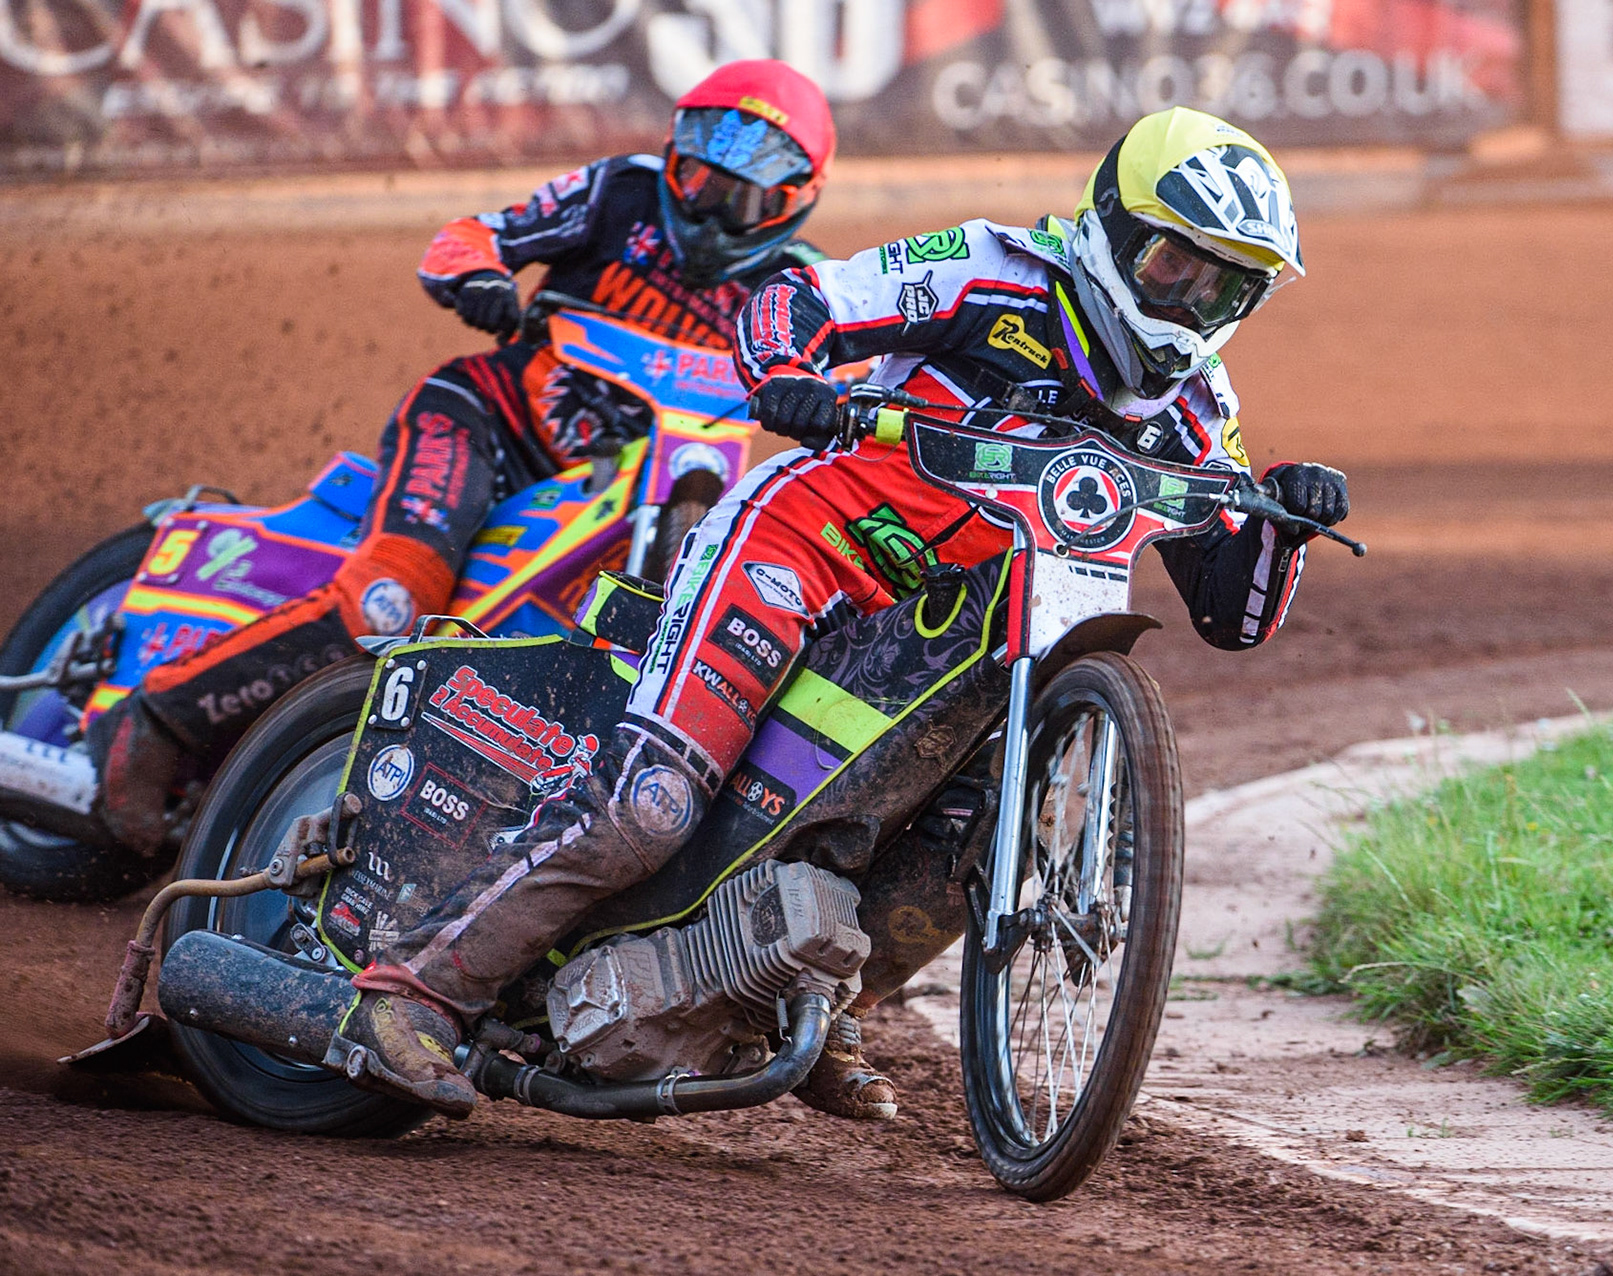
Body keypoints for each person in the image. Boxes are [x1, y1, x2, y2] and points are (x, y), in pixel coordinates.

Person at [334, 108, 1351, 1122]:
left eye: (1227, 283)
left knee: (980, 832)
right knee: (653, 801)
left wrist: (1285, 523)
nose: (1195, 298)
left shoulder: (1196, 408)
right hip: (808, 546)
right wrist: (787, 377)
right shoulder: (994, 269)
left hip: (958, 638)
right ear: (1115, 226)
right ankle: (415, 991)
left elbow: (1231, 613)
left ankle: (814, 1002)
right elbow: (798, 302)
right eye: (1177, 264)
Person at [87, 60, 837, 864]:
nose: (711, 210)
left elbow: (850, 378)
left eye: (744, 196)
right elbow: (474, 234)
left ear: (794, 200)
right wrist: (478, 276)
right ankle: (157, 717)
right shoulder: (619, 191)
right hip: (485, 423)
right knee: (388, 604)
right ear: (671, 153)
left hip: (625, 494)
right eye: (697, 178)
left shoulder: (797, 284)